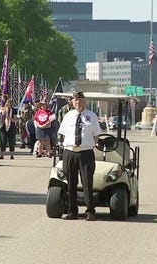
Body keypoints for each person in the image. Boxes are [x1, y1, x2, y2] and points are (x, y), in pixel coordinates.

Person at [58, 91, 101, 221]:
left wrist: (88, 145)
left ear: (85, 101)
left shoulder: (91, 116)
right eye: (76, 100)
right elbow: (63, 134)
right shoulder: (68, 116)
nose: (78, 102)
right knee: (71, 183)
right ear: (72, 102)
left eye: (80, 100)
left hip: (85, 153)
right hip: (70, 152)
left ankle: (90, 211)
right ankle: (72, 212)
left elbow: (96, 136)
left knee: (87, 183)